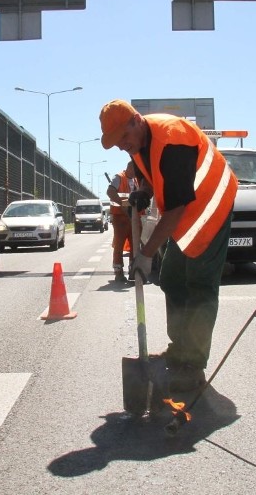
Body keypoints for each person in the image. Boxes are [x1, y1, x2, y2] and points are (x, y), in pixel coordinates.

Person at [99, 99, 238, 392]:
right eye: (115, 142)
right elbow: (155, 176)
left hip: (213, 204)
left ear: (137, 120)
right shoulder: (139, 144)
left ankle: (194, 365)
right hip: (188, 210)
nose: (122, 144)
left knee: (199, 284)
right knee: (173, 278)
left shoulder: (173, 141)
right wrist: (145, 192)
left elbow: (174, 210)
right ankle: (180, 350)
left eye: (124, 136)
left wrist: (146, 254)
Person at [106, 161, 139, 283]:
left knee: (134, 245)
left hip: (133, 217)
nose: (137, 172)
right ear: (130, 168)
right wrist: (122, 204)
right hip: (120, 217)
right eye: (136, 169)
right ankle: (118, 272)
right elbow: (110, 192)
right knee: (119, 244)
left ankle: (133, 270)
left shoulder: (135, 180)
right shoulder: (119, 177)